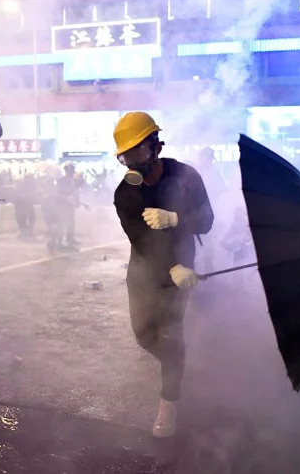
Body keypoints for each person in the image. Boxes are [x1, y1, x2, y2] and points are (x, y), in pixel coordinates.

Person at [113, 111, 214, 437]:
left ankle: (169, 402)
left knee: (172, 337)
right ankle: (176, 361)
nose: (133, 162)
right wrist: (171, 268)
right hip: (145, 271)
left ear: (156, 145)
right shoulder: (124, 193)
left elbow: (207, 221)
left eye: (138, 152)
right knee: (144, 336)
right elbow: (141, 240)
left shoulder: (185, 176)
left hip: (182, 266)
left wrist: (175, 219)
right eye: (126, 155)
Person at [57, 162, 81, 249]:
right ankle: (59, 242)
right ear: (67, 171)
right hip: (62, 204)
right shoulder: (62, 180)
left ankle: (70, 239)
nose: (72, 172)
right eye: (70, 170)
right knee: (61, 223)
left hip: (69, 204)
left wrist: (77, 201)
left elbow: (74, 192)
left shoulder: (72, 180)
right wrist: (66, 198)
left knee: (71, 223)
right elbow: (59, 192)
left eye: (73, 170)